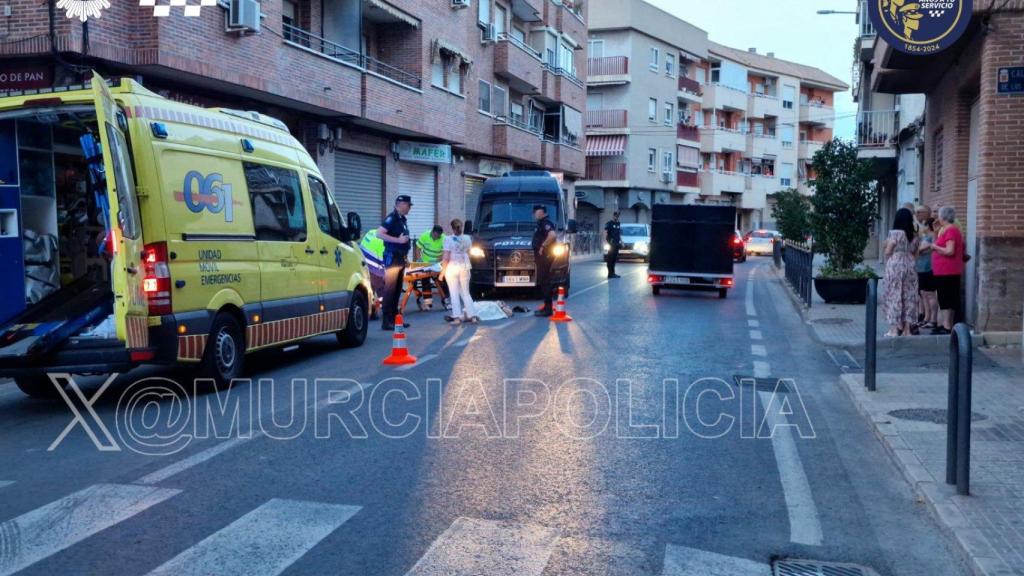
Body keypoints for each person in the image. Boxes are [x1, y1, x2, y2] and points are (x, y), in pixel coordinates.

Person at [377, 195, 413, 331]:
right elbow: (379, 234)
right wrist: (398, 241)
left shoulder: (401, 219)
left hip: (400, 257)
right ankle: (386, 321)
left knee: (397, 289)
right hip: (392, 257)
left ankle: (395, 319)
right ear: (401, 204)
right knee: (390, 290)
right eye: (408, 205)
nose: (409, 208)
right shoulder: (392, 218)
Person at [882, 208, 919, 337]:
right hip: (910, 265)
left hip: (895, 264)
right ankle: (907, 329)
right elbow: (915, 254)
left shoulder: (895, 233)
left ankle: (894, 329)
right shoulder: (914, 235)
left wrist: (888, 255)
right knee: (909, 296)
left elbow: (888, 251)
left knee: (894, 295)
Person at [931, 206, 964, 335]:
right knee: (945, 298)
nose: (937, 217)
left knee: (946, 299)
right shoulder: (944, 229)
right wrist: (935, 233)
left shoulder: (951, 230)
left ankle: (947, 326)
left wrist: (934, 246)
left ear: (943, 216)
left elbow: (950, 250)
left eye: (939, 214)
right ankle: (945, 325)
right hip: (944, 270)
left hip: (947, 270)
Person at [440, 219, 479, 326]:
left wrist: (442, 272)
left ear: (452, 228)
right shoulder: (467, 238)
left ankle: (457, 317)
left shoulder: (448, 239)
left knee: (454, 292)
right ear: (461, 226)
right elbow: (469, 252)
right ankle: (473, 316)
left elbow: (446, 257)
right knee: (466, 292)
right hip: (465, 266)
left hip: (452, 267)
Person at [532, 204, 557, 317]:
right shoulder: (541, 223)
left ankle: (547, 309)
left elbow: (552, 235)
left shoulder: (545, 223)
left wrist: (542, 246)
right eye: (535, 211)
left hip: (545, 255)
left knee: (545, 281)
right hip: (542, 256)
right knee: (544, 280)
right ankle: (547, 307)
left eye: (538, 211)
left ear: (543, 213)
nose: (536, 213)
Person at [915, 217, 940, 332]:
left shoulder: (932, 237)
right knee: (923, 293)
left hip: (928, 269)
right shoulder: (924, 238)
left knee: (930, 294)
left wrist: (919, 249)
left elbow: (919, 250)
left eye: (924, 225)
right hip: (921, 269)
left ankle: (933, 319)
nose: (922, 227)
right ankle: (926, 317)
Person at [414, 225, 445, 310]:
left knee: (440, 280)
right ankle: (428, 303)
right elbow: (418, 248)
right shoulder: (425, 235)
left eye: (438, 236)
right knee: (425, 280)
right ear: (432, 232)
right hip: (425, 262)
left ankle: (445, 299)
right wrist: (419, 260)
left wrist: (437, 262)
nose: (436, 238)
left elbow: (445, 253)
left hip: (436, 263)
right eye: (435, 236)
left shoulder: (444, 239)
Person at [604, 211, 622, 279]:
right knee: (610, 259)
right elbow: (605, 232)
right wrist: (605, 242)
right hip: (611, 244)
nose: (616, 217)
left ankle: (613, 273)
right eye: (615, 216)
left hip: (617, 244)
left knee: (614, 259)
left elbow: (618, 233)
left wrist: (621, 241)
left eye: (617, 216)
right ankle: (610, 273)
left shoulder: (618, 223)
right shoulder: (609, 224)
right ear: (613, 216)